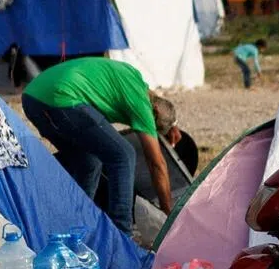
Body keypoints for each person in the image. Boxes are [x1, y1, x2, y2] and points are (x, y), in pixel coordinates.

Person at [22, 56, 172, 234]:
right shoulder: (142, 102)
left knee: (88, 162)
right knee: (123, 155)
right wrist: (168, 212)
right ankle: (122, 233)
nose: (148, 132)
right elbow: (156, 163)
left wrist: (173, 125)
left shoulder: (135, 81)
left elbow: (164, 110)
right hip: (62, 97)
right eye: (153, 130)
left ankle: (74, 226)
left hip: (33, 97)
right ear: (153, 112)